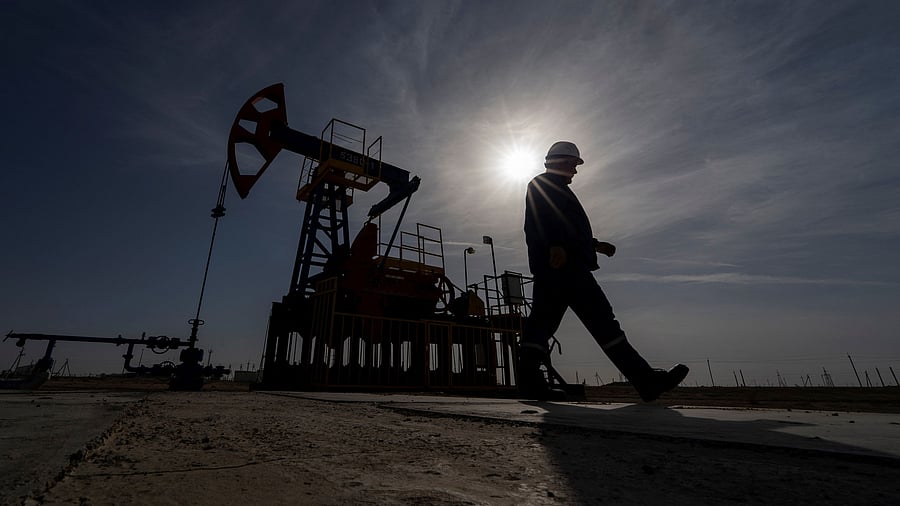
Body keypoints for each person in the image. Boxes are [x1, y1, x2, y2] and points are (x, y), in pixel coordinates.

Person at [519, 141, 689, 401]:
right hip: (563, 268)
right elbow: (545, 218)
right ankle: (646, 381)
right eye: (573, 164)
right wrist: (555, 245)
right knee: (590, 324)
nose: (575, 170)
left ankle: (645, 382)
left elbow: (567, 228)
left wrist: (595, 245)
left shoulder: (559, 190)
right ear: (560, 162)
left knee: (547, 325)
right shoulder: (542, 185)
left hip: (563, 267)